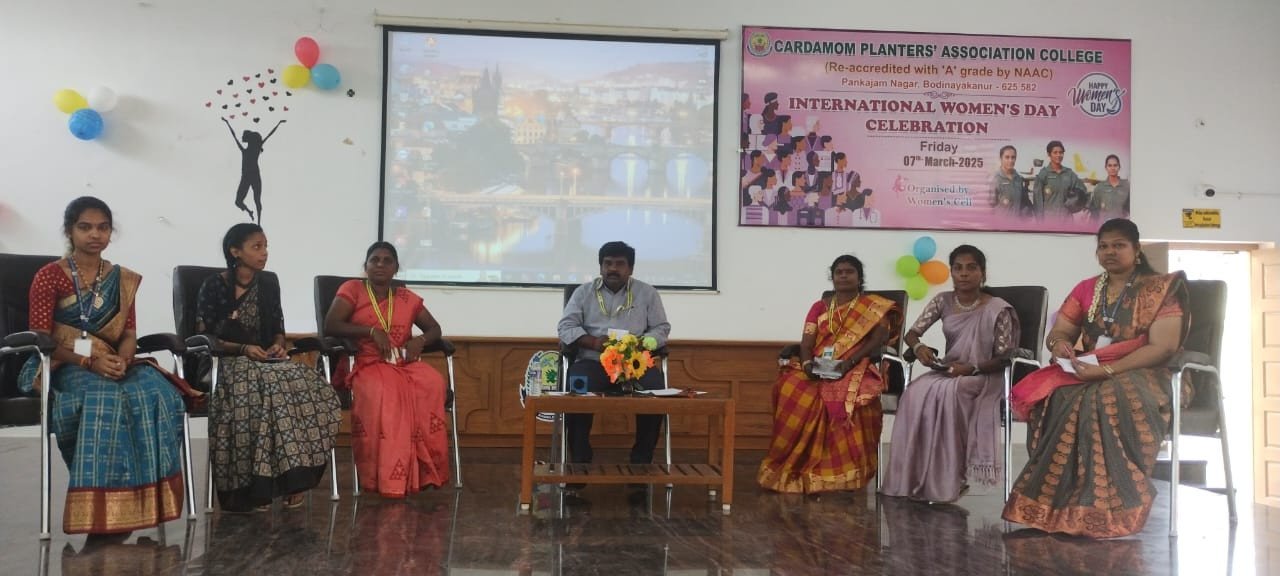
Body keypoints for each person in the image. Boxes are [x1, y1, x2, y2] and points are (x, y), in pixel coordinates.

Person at [1003, 219, 1189, 538]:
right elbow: (1060, 331)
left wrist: (1107, 371)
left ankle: (1110, 507)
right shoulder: (1087, 289)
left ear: (1137, 250)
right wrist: (1059, 344)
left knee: (1102, 398)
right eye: (1103, 246)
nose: (1110, 252)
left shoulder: (1160, 289)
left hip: (1148, 372)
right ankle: (1059, 507)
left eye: (1119, 245)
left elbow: (1163, 347)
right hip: (1091, 368)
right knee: (1056, 396)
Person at [18, 196, 193, 534]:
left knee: (160, 393)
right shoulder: (49, 276)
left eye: (102, 227)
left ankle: (145, 505)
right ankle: (100, 513)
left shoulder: (121, 279)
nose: (95, 234)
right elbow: (42, 337)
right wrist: (89, 361)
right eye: (85, 227)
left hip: (111, 361)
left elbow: (129, 334)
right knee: (105, 398)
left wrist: (123, 361)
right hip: (60, 362)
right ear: (70, 231)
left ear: (111, 232)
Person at [196, 223, 341, 512]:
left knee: (302, 380)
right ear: (235, 251)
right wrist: (243, 349)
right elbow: (204, 336)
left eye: (265, 246)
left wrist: (277, 346)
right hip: (224, 361)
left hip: (265, 361)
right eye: (257, 247)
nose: (264, 253)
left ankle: (292, 480)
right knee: (259, 384)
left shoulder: (268, 283)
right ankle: (254, 488)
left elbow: (278, 327)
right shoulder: (213, 285)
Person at [880, 245, 1019, 503]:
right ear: (952, 272)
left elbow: (1004, 357)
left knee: (953, 391)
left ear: (983, 273)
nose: (964, 273)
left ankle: (951, 478)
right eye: (958, 268)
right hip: (950, 369)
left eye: (971, 268)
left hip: (984, 376)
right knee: (914, 392)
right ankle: (912, 478)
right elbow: (912, 334)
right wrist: (919, 348)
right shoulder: (942, 301)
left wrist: (972, 368)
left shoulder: (998, 308)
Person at [758, 255, 901, 493]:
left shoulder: (873, 306)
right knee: (790, 386)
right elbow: (807, 342)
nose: (844, 276)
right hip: (818, 365)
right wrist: (807, 365)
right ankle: (794, 464)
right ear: (832, 277)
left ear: (859, 277)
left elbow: (879, 338)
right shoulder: (820, 307)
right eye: (839, 272)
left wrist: (849, 362)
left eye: (849, 272)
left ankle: (838, 473)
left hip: (857, 365)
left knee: (844, 396)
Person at [324, 242, 452, 497]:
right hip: (365, 362)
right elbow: (331, 324)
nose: (380, 265)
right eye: (374, 260)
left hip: (402, 362)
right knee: (389, 391)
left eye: (387, 261)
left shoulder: (405, 298)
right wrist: (371, 331)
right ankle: (386, 478)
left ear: (396, 268)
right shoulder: (353, 289)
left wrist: (419, 340)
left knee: (432, 382)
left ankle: (425, 472)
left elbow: (434, 328)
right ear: (366, 266)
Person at [556, 241, 671, 472]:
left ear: (630, 268)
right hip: (593, 361)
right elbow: (566, 327)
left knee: (656, 393)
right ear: (600, 267)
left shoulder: (647, 293)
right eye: (607, 263)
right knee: (576, 391)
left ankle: (640, 464)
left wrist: (643, 342)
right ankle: (579, 464)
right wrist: (593, 342)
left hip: (634, 363)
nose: (612, 269)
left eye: (619, 264)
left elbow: (661, 328)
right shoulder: (583, 293)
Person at [222, 117, 285, 223]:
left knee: (256, 200)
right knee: (239, 202)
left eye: (244, 136)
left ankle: (259, 222)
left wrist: (278, 123)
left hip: (253, 175)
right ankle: (250, 212)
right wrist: (227, 123)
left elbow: (269, 134)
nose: (242, 137)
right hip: (247, 176)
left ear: (248, 138)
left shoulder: (252, 149)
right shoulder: (249, 150)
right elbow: (235, 136)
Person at [1031, 140, 1086, 220]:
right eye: (1055, 152)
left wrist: (1075, 205)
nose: (1058, 155)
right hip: (1049, 220)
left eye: (1061, 152)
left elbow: (1083, 191)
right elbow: (1037, 202)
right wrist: (1040, 221)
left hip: (1067, 220)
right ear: (1049, 154)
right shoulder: (1043, 174)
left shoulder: (1069, 174)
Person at [1088, 154, 1131, 221]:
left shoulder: (1127, 186)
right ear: (1106, 168)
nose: (1112, 168)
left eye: (1115, 165)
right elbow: (1093, 212)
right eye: (1110, 165)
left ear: (1119, 167)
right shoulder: (1099, 188)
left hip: (1121, 225)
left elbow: (1131, 210)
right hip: (1105, 226)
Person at [991, 145, 1025, 217]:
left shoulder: (1018, 179)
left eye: (1013, 157)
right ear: (1001, 159)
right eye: (1007, 157)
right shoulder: (994, 179)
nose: (1010, 160)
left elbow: (1023, 202)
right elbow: (989, 206)